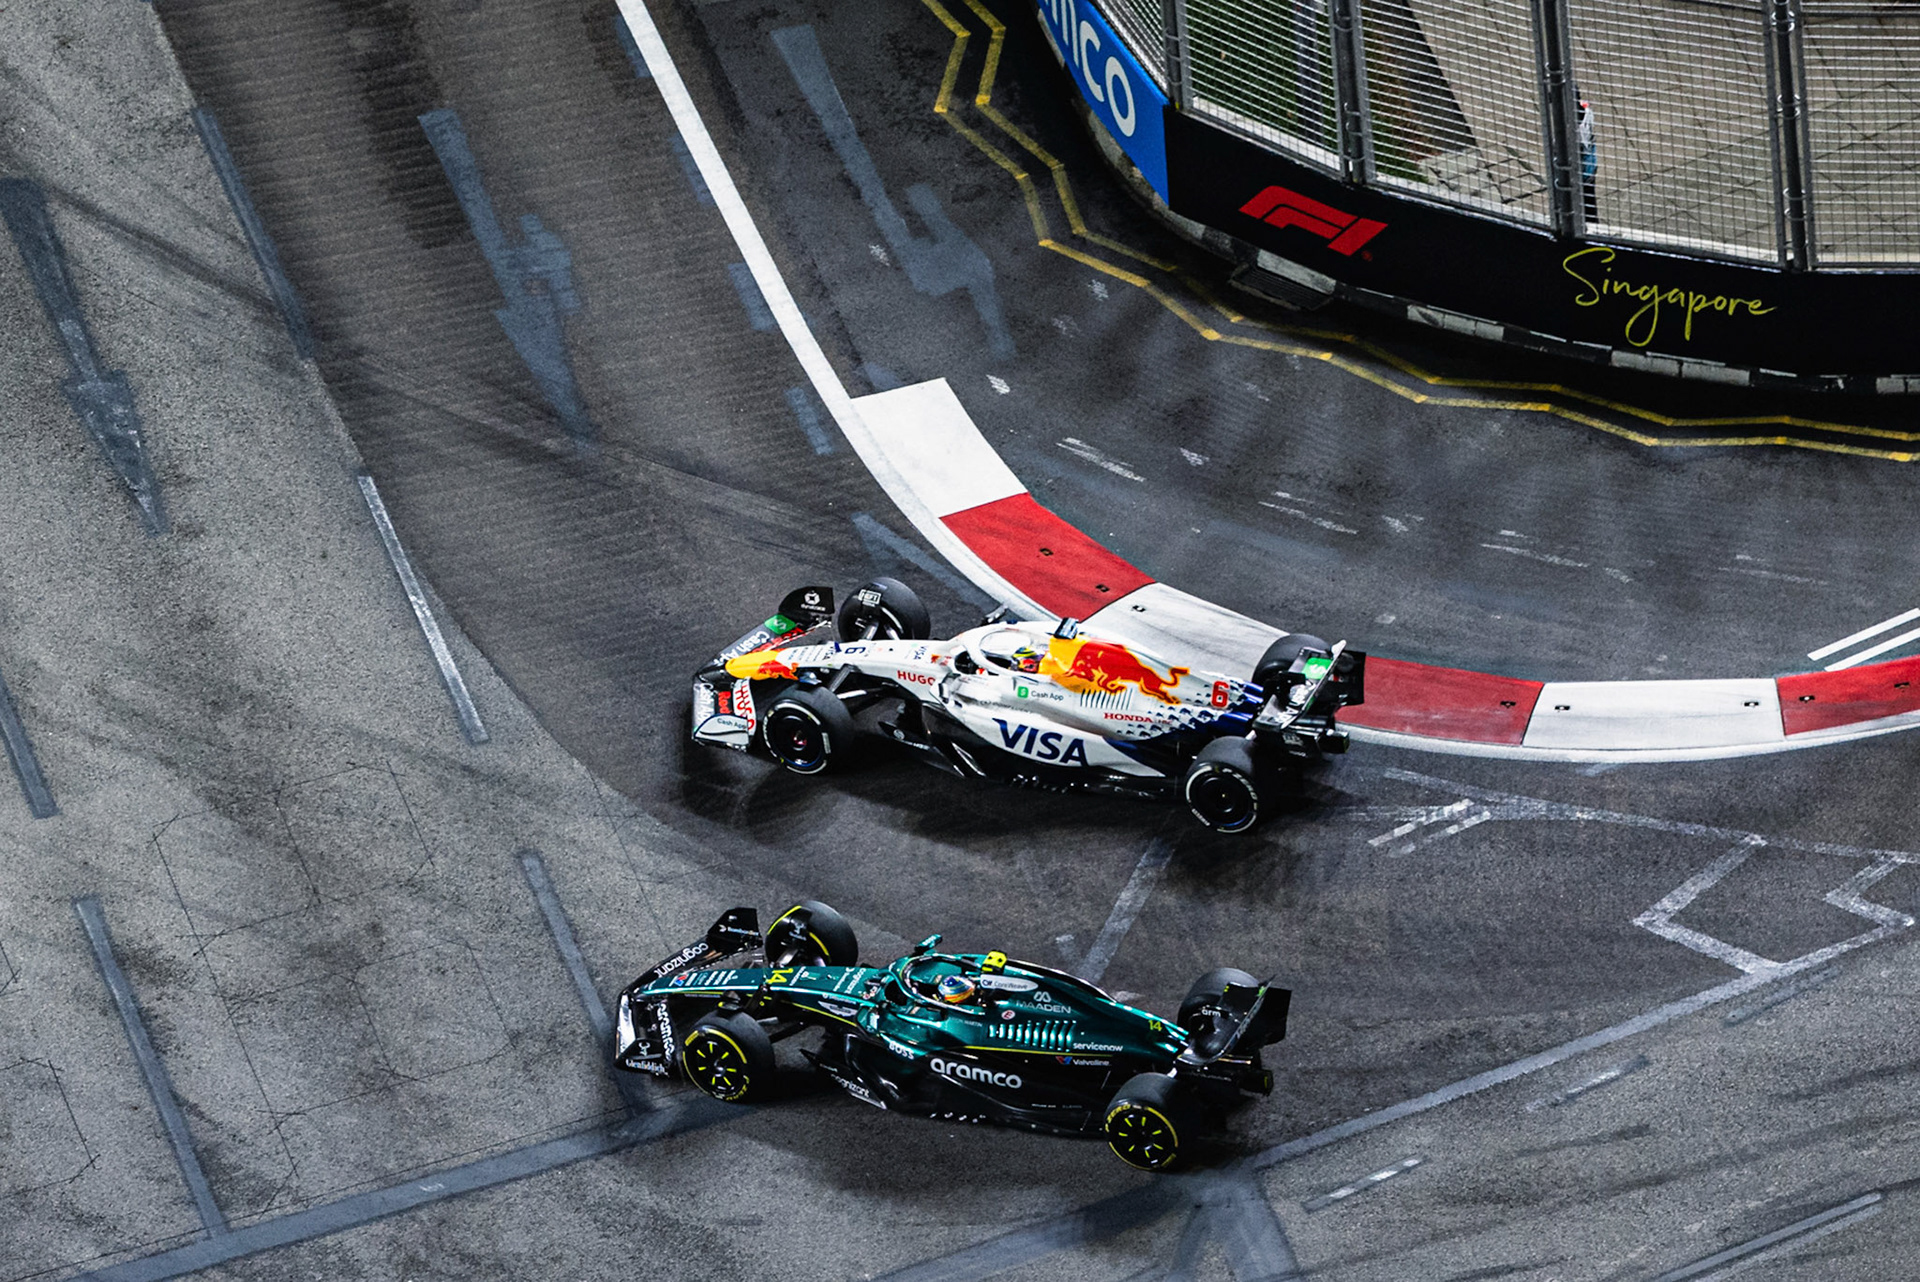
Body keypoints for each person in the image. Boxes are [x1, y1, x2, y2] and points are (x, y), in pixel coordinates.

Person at [1577, 96, 1599, 225]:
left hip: (1584, 174)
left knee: (1586, 207)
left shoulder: (1577, 130)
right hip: (1590, 167)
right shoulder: (1588, 112)